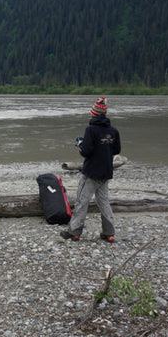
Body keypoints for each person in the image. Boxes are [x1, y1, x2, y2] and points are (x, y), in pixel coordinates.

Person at [61, 96, 121, 242]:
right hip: (106, 171)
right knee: (103, 201)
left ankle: (74, 231)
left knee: (82, 200)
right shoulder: (113, 131)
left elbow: (85, 152)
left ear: (94, 113)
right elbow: (116, 150)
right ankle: (109, 233)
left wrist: (81, 144)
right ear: (105, 114)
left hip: (91, 172)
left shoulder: (91, 130)